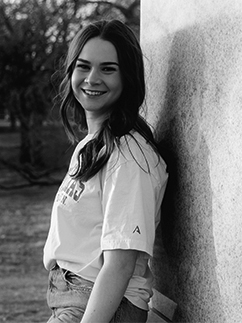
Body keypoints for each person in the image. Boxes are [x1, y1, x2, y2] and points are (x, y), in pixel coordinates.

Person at [43, 19, 168, 323]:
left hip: (100, 306)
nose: (92, 78)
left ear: (128, 77)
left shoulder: (128, 155)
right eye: (83, 67)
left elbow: (120, 264)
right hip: (76, 299)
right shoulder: (94, 145)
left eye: (108, 69)